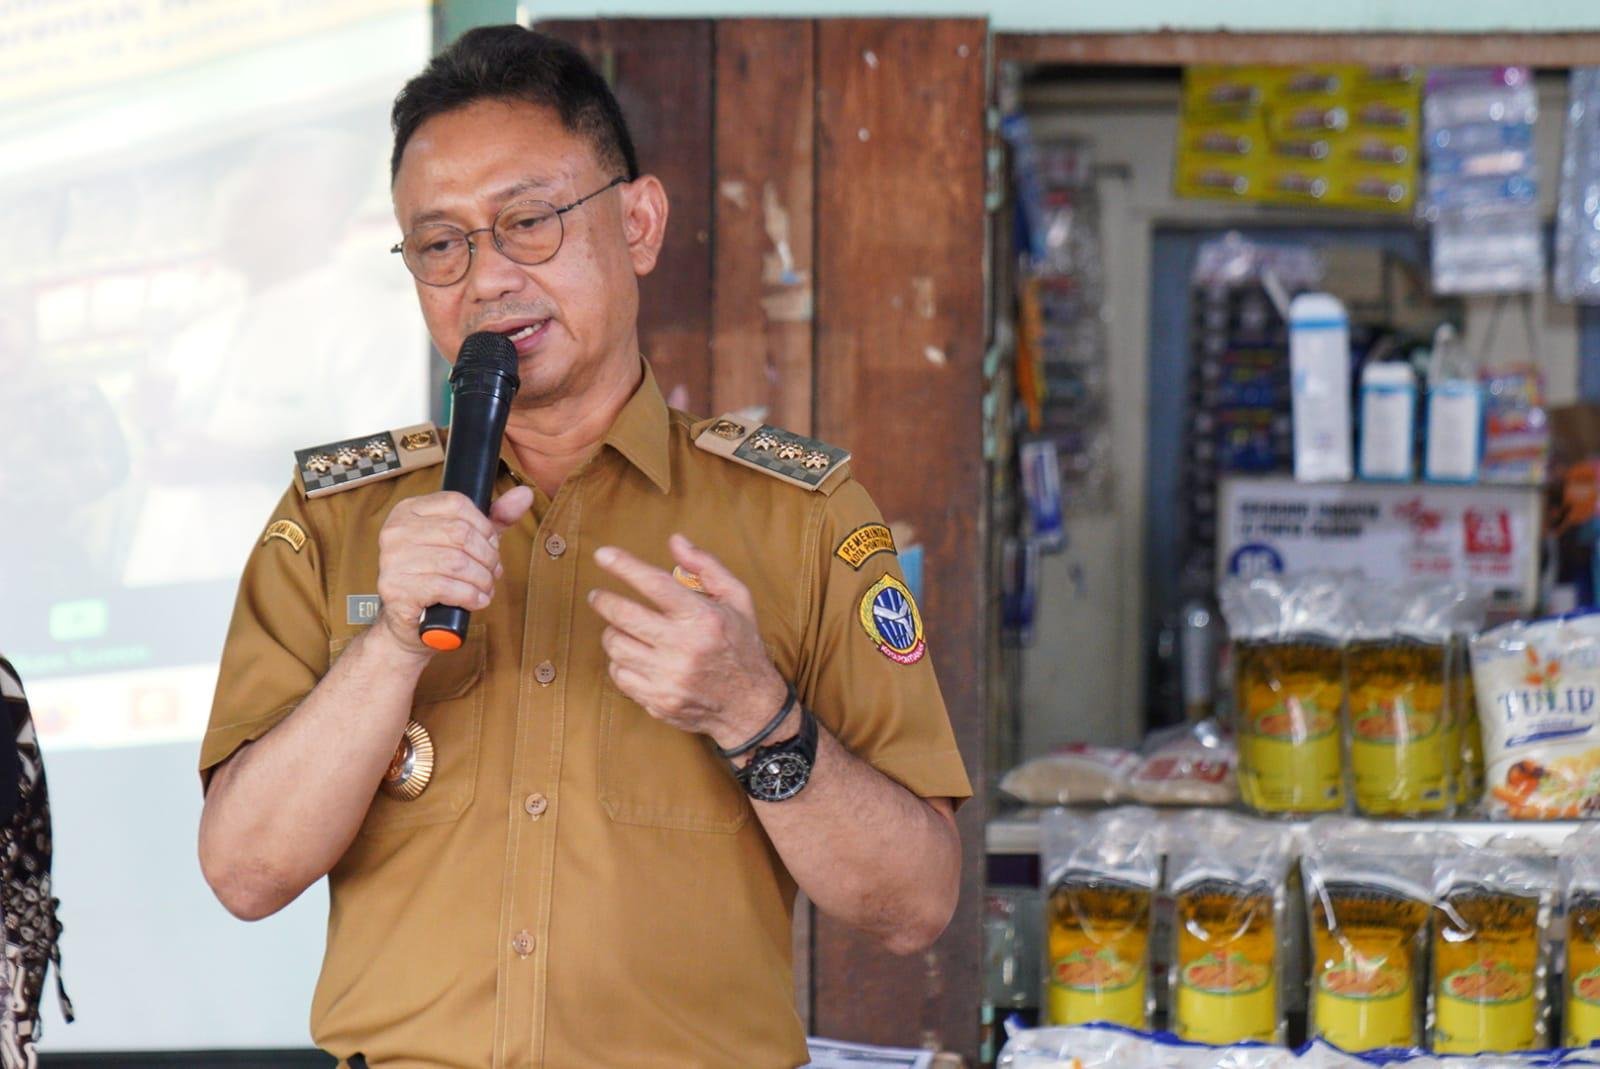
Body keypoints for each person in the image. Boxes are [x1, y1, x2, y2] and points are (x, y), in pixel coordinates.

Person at [196, 25, 969, 1069]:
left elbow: (915, 904)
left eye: (528, 221)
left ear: (639, 222)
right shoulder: (336, 519)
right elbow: (246, 875)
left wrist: (752, 708)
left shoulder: (802, 517)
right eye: (440, 244)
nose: (485, 277)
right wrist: (385, 649)